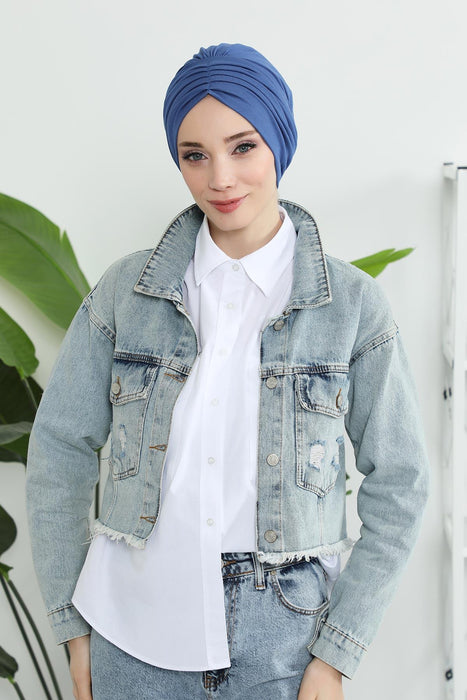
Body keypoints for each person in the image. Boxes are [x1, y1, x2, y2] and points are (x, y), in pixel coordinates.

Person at [25, 43, 429, 700]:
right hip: (131, 634)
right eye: (195, 155)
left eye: (243, 147)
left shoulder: (353, 306)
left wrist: (336, 654)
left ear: (279, 144)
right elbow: (59, 450)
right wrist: (73, 629)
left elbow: (402, 482)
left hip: (284, 643)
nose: (220, 177)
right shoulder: (125, 294)